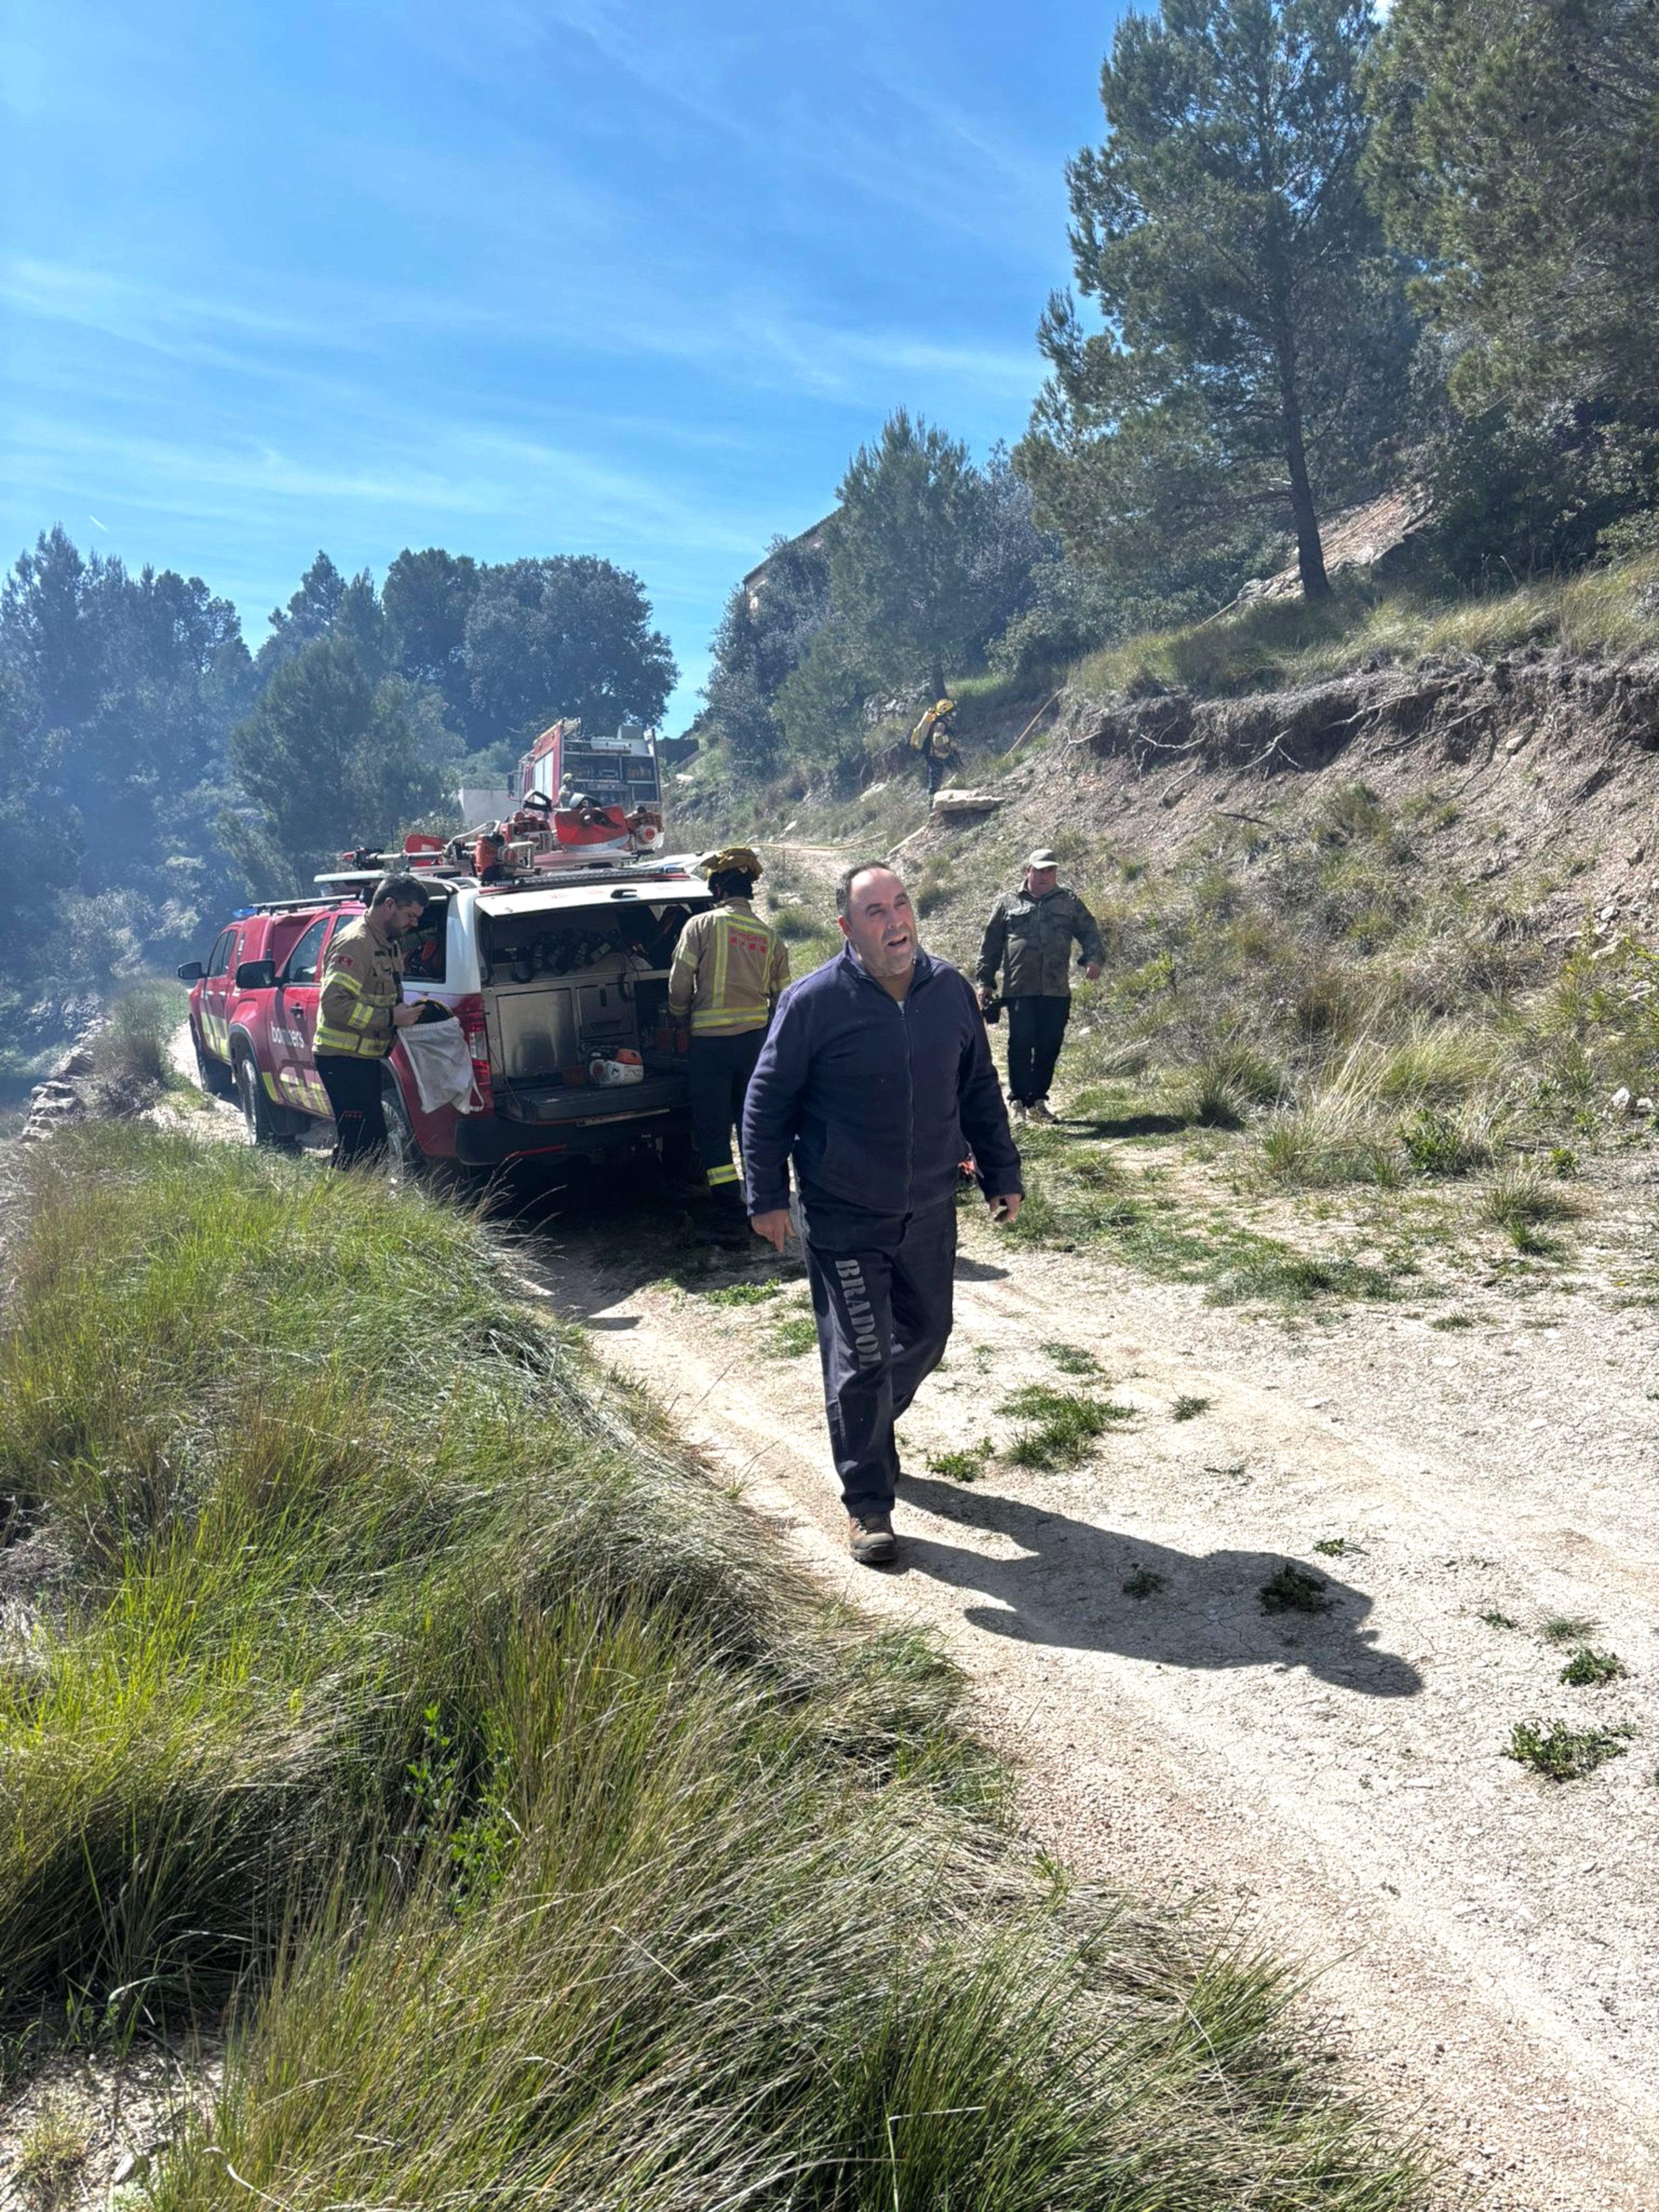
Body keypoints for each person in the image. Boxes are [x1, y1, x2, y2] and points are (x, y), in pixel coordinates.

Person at [743, 861, 1022, 1565]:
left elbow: (980, 1089)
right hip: (843, 1213)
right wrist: (767, 1196)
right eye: (875, 912)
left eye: (902, 906)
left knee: (929, 1333)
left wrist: (1000, 1172)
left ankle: (862, 1421)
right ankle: (869, 1502)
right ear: (846, 927)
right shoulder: (813, 1003)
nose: (895, 921)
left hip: (928, 1206)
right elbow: (766, 1103)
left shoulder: (950, 990)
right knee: (864, 1353)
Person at [666, 846, 790, 1239]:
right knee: (753, 1127)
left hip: (711, 1047)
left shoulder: (700, 927)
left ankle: (731, 1215)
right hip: (756, 1047)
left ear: (718, 889)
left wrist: (679, 1015)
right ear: (749, 890)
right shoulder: (771, 938)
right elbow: (785, 1002)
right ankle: (765, 1207)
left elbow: (679, 985)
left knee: (714, 1132)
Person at [976, 848, 1104, 1125]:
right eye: (1041, 870)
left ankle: (1038, 1101)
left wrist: (1093, 959)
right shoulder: (1008, 902)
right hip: (1020, 989)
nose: (1046, 876)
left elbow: (1089, 931)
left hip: (1056, 990)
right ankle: (1018, 1102)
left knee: (1049, 1046)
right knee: (1020, 1043)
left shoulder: (1068, 901)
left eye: (1051, 870)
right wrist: (985, 981)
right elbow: (991, 945)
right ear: (1029, 871)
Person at [314, 875, 431, 1168]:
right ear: (389, 905)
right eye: (410, 916)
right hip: (342, 1059)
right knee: (363, 1144)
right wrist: (392, 1017)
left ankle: (354, 1201)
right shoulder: (356, 944)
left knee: (371, 1141)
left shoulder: (387, 942)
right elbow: (334, 1005)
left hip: (363, 1058)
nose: (414, 924)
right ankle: (348, 1205)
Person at [910, 697, 959, 797]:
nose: (954, 715)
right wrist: (949, 738)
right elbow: (938, 741)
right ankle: (932, 803)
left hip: (941, 755)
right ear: (946, 713)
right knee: (935, 783)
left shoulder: (943, 723)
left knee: (957, 769)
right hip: (936, 757)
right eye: (952, 713)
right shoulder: (941, 725)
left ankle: (957, 786)